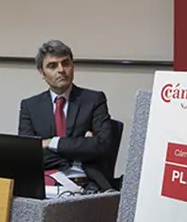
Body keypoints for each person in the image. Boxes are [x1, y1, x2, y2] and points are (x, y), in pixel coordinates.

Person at [18, 39, 115, 192]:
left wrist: (51, 143)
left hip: (86, 182)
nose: (61, 70)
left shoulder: (94, 100)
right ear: (42, 73)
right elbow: (27, 155)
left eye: (66, 63)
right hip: (45, 183)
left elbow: (103, 146)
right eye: (52, 66)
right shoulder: (30, 106)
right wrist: (81, 147)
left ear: (73, 66)